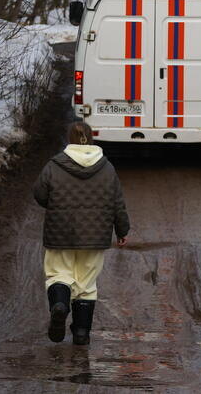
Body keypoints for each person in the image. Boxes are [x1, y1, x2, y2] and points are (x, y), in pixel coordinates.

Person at [33, 121, 130, 345]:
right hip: (95, 237)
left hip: (60, 233)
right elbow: (117, 203)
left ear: (70, 139)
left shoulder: (54, 165)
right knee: (86, 285)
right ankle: (81, 332)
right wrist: (122, 230)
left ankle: (59, 305)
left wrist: (55, 205)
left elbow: (39, 193)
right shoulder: (107, 168)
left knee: (59, 275)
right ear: (92, 139)